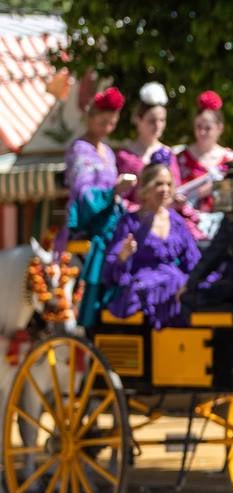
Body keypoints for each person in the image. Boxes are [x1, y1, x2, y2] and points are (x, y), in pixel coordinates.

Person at [61, 86, 137, 327]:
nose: (107, 128)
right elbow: (84, 195)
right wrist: (113, 191)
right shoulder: (79, 150)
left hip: (113, 223)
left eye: (112, 123)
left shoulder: (109, 153)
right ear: (90, 118)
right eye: (103, 121)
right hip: (91, 227)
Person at [102, 153, 204, 329]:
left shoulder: (177, 221)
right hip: (144, 283)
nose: (165, 189)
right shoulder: (130, 222)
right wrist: (124, 255)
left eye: (169, 184)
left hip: (174, 280)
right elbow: (112, 267)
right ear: (145, 189)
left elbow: (192, 260)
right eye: (158, 184)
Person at [117, 82, 204, 239]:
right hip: (135, 225)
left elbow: (174, 190)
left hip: (165, 224)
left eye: (162, 120)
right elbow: (121, 197)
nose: (158, 126)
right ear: (138, 119)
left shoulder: (168, 154)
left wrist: (177, 199)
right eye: (152, 121)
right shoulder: (125, 156)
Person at [177, 90, 233, 213]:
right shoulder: (182, 157)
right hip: (188, 218)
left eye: (207, 128)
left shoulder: (229, 157)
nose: (202, 132)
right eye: (198, 127)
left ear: (220, 128)